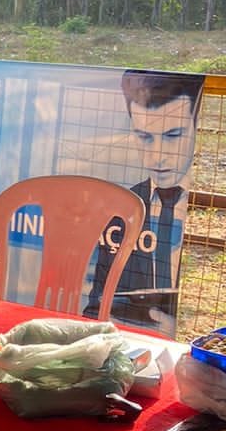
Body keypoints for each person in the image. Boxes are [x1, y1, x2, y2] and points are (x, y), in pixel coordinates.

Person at [83, 70, 204, 337]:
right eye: (144, 137)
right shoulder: (121, 210)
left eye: (173, 135)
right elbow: (94, 307)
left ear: (198, 126)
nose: (157, 156)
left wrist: (173, 332)